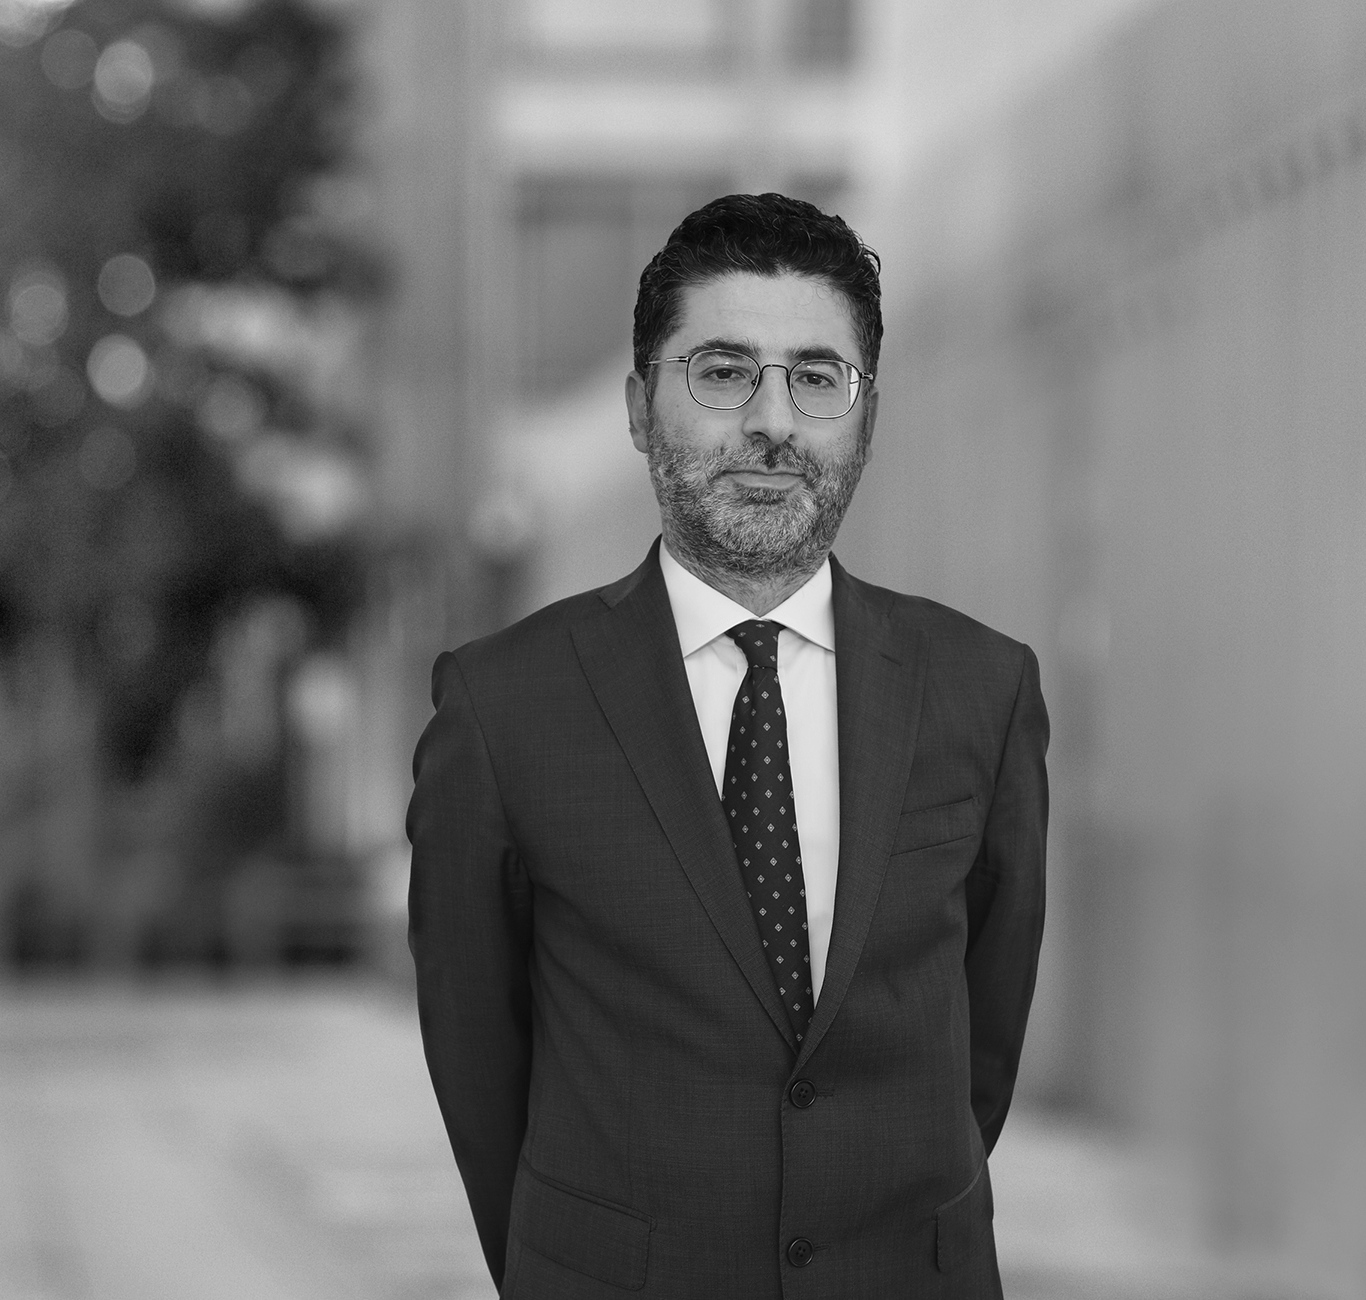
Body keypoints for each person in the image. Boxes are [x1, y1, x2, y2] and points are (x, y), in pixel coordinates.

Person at [407, 192, 1049, 1299]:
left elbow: (983, 1043)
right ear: (638, 405)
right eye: (722, 371)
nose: (772, 422)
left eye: (817, 377)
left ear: (865, 412)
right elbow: (476, 1056)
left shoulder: (981, 689)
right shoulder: (502, 707)